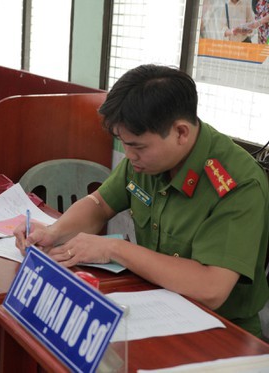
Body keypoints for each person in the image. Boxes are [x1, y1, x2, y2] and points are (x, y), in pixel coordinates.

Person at [14, 64, 269, 337]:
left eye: (137, 146)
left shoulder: (237, 183)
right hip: (153, 304)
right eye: (123, 143)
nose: (128, 155)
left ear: (181, 132)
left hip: (220, 330)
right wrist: (54, 232)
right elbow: (99, 204)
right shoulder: (147, 162)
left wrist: (114, 249)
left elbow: (211, 288)